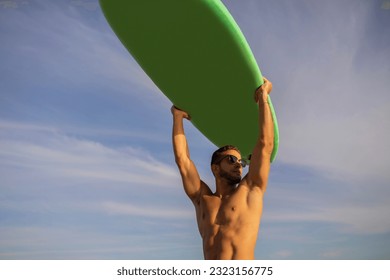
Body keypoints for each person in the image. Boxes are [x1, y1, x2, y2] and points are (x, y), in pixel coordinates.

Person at [171, 77, 274, 260]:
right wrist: (177, 117)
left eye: (241, 162)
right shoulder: (202, 199)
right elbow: (183, 160)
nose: (238, 165)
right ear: (215, 168)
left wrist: (263, 97)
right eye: (232, 159)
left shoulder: (250, 190)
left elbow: (265, 144)